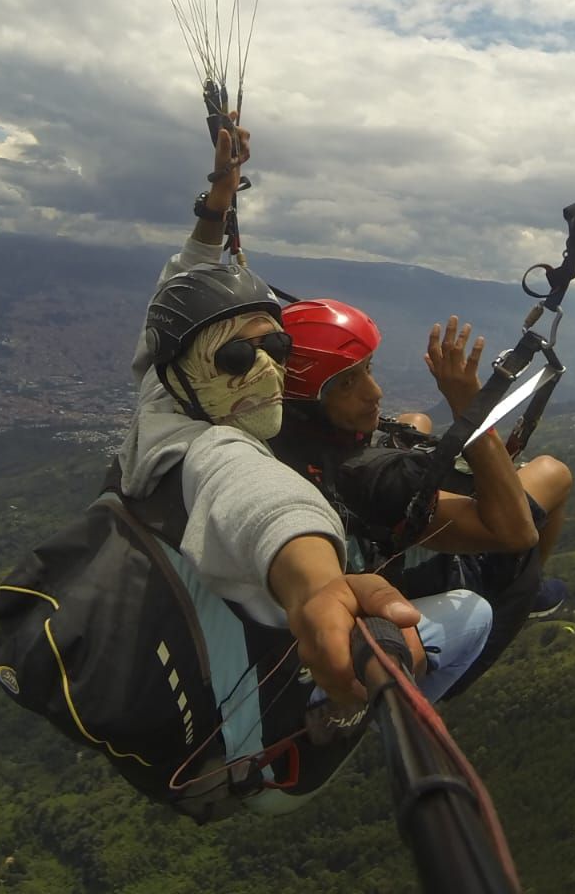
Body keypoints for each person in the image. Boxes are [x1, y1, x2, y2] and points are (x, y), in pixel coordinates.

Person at [116, 117, 493, 734]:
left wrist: (220, 197)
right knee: (473, 613)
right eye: (240, 356)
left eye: (278, 348)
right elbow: (262, 502)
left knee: (408, 424)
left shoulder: (166, 387)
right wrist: (321, 586)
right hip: (250, 707)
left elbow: (183, 287)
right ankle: (337, 714)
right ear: (194, 367)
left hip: (197, 620)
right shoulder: (210, 451)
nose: (266, 368)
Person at [270, 298, 574, 695]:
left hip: (362, 534)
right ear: (310, 399)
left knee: (416, 419)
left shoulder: (279, 437)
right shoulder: (374, 478)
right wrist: (470, 405)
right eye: (348, 382)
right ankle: (523, 586)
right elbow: (517, 531)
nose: (374, 391)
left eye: (368, 370)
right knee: (554, 473)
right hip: (444, 581)